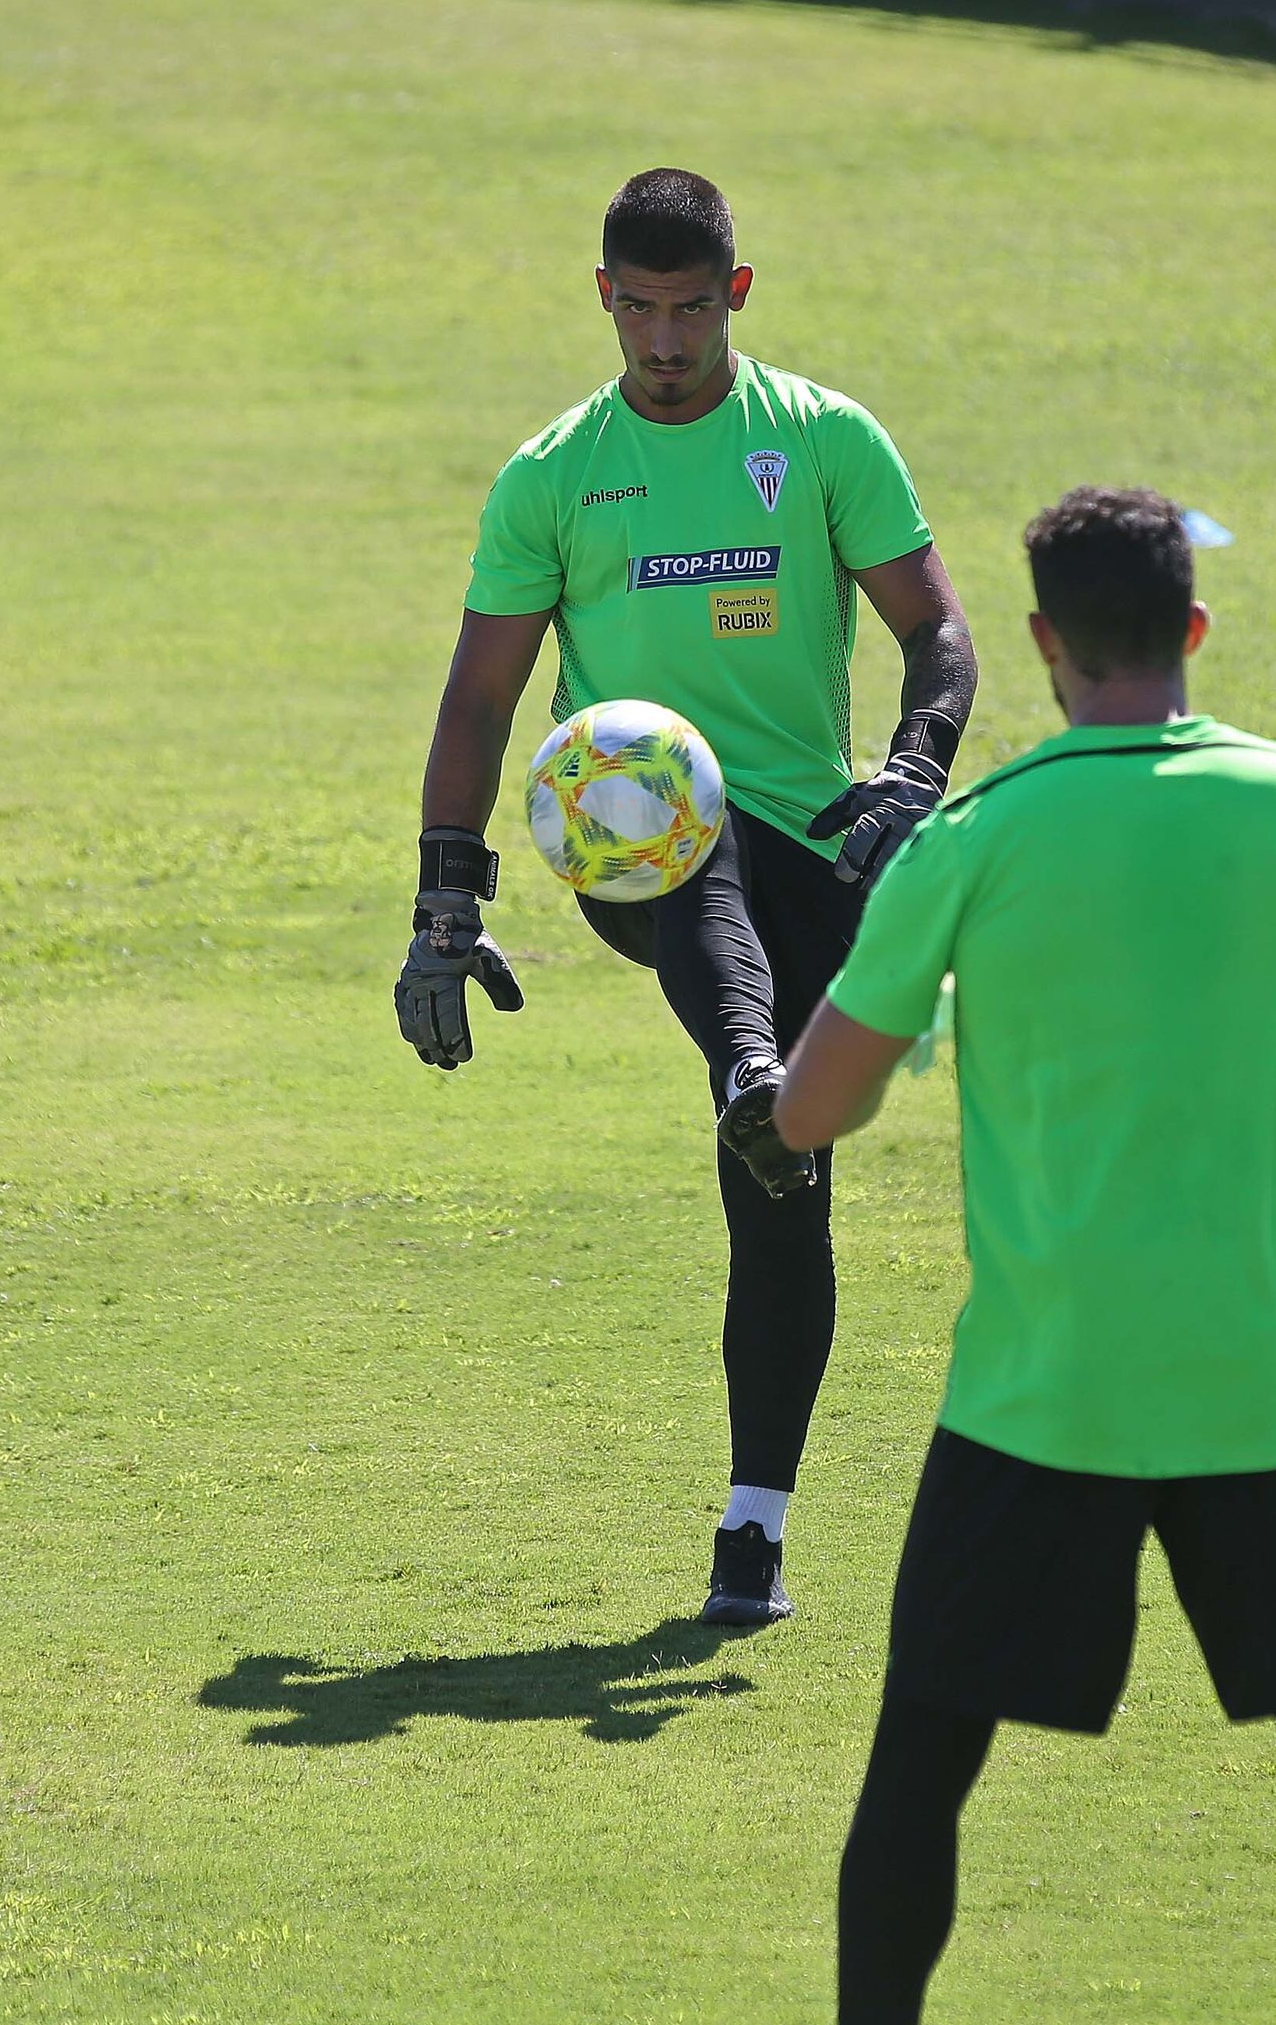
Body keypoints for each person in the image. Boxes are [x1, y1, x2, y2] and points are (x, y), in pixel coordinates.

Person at [774, 487, 1276, 2025]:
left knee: (923, 1762)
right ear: (1195, 633)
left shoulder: (976, 841)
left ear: (1038, 644)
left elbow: (816, 1111)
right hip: (1264, 1393)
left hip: (1043, 1394)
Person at [394, 168, 977, 1626]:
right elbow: (480, 702)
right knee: (680, 806)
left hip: (820, 849)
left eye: (692, 311)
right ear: (603, 297)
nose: (665, 342)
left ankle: (753, 1529)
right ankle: (754, 1070)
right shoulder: (552, 474)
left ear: (738, 297)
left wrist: (911, 772)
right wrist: (443, 908)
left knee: (785, 1200)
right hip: (631, 842)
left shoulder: (824, 440)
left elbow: (940, 632)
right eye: (640, 311)